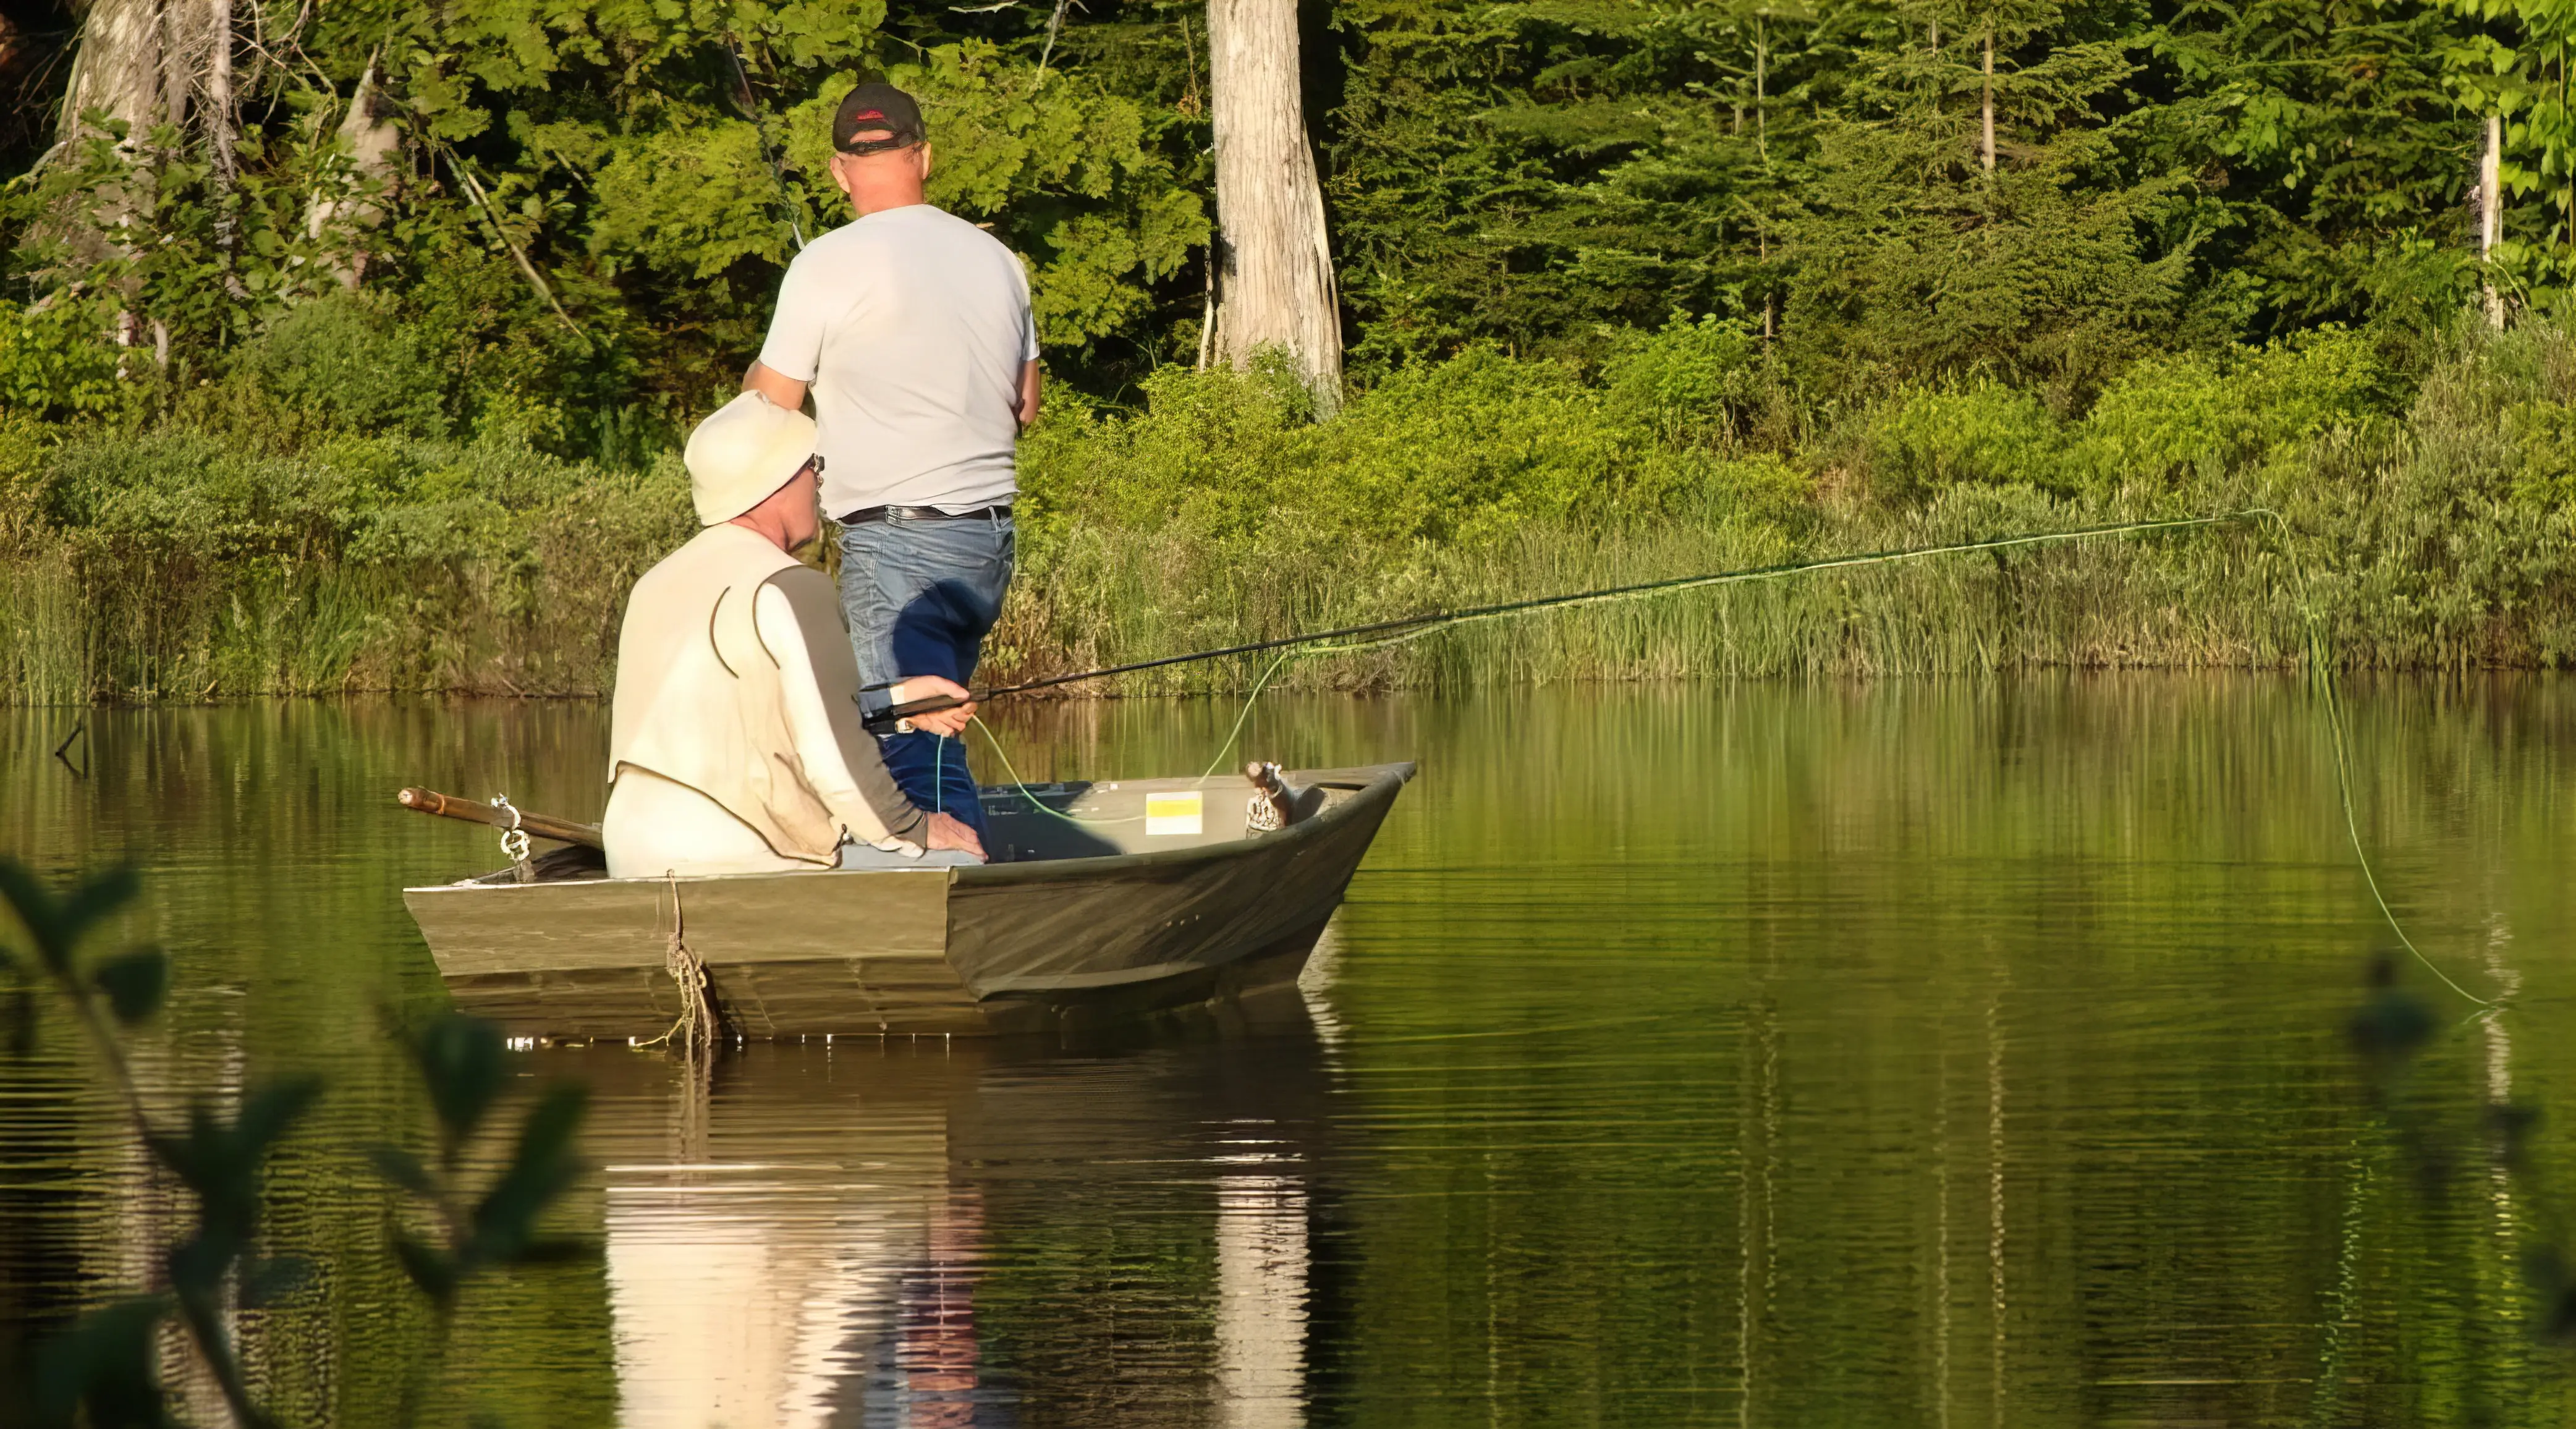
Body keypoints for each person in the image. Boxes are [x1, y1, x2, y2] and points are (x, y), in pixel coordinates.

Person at [741, 80, 1040, 847]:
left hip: (895, 544)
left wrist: (762, 372)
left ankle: (955, 891)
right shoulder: (999, 259)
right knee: (932, 728)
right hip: (988, 544)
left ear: (841, 170)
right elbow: (1024, 405)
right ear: (924, 157)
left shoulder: (823, 265)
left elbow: (768, 411)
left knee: (909, 745)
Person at [603, 391, 985, 878]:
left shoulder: (653, 585)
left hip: (628, 851)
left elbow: (755, 718)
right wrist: (914, 829)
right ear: (776, 479)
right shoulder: (791, 585)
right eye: (814, 468)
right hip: (738, 850)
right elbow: (835, 766)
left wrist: (898, 705)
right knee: (962, 858)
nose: (820, 485)